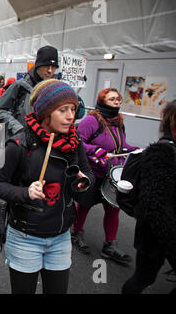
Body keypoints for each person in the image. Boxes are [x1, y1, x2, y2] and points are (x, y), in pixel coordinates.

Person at [0, 79, 94, 294]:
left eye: (73, 109)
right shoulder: (19, 144)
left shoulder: (74, 142)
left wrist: (83, 182)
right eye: (62, 110)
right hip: (26, 237)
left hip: (61, 237)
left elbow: (88, 173)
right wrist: (25, 192)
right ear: (46, 113)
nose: (71, 116)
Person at [72, 88, 139, 265]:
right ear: (102, 101)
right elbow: (78, 142)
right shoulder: (91, 121)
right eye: (112, 99)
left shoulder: (118, 123)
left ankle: (110, 245)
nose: (117, 102)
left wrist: (135, 150)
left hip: (111, 174)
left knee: (113, 209)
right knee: (85, 204)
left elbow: (121, 146)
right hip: (93, 172)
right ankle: (76, 233)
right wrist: (96, 150)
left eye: (118, 99)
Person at [122, 100, 175, 294]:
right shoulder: (164, 151)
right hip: (156, 235)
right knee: (143, 278)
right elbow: (154, 205)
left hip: (165, 231)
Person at [0, 45, 59, 137]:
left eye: (53, 67)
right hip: (20, 142)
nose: (50, 70)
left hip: (44, 142)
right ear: (38, 66)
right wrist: (17, 127)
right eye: (46, 66)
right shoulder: (20, 86)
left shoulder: (56, 89)